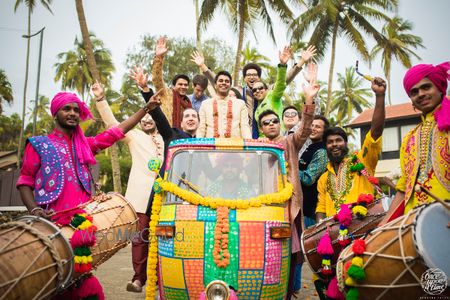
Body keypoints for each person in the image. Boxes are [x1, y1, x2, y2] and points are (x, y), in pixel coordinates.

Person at [16, 91, 157, 218]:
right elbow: (25, 181)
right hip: (52, 221)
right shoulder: (39, 145)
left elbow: (117, 131)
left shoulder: (84, 146)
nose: (72, 113)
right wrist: (34, 209)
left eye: (76, 110)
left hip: (85, 221)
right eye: (66, 109)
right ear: (55, 113)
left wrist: (146, 109)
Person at [92, 78, 164, 293]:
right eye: (145, 117)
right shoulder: (135, 136)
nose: (148, 119)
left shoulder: (169, 137)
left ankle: (162, 278)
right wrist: (100, 99)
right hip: (141, 197)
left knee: (164, 237)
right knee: (140, 239)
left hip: (166, 197)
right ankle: (138, 279)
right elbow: (113, 125)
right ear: (141, 120)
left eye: (152, 116)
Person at [258, 76, 319, 298]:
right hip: (263, 207)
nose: (271, 124)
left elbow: (304, 128)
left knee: (291, 254)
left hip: (288, 207)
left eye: (275, 121)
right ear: (261, 129)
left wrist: (309, 100)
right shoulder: (255, 148)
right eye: (266, 123)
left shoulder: (290, 142)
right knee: (266, 253)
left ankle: (287, 292)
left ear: (280, 124)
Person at [381, 62, 450, 224]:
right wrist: (383, 225)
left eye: (426, 87)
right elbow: (403, 187)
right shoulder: (409, 138)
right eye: (414, 92)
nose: (420, 94)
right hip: (412, 223)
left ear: (440, 88)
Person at [316, 77, 387, 220]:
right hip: (336, 236)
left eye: (339, 140)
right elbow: (321, 208)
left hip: (364, 228)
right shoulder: (323, 178)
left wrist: (380, 96)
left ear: (346, 144)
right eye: (330, 142)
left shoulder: (361, 162)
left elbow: (375, 133)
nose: (334, 144)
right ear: (326, 147)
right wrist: (320, 232)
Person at [292, 115, 329, 297]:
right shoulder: (309, 147)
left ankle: (297, 288)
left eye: (318, 127)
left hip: (309, 209)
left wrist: (290, 165)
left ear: (324, 131)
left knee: (302, 251)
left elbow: (308, 178)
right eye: (312, 125)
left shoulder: (321, 151)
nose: (313, 128)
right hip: (301, 205)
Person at [197, 71, 251, 138]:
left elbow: (244, 126)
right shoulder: (205, 104)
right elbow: (202, 128)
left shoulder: (240, 104)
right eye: (221, 80)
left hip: (235, 146)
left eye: (227, 81)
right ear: (215, 85)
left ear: (230, 86)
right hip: (211, 146)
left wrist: (249, 145)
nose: (224, 83)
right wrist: (199, 146)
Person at [152, 36, 192, 128]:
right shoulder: (166, 94)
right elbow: (157, 79)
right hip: (167, 135)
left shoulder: (188, 102)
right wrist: (159, 57)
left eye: (186, 85)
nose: (183, 86)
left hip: (184, 138)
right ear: (173, 86)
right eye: (180, 84)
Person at [253, 46, 293, 136]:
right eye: (254, 90)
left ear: (267, 90)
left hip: (278, 138)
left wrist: (282, 66)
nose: (257, 91)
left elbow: (280, 85)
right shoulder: (257, 109)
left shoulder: (272, 96)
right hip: (264, 143)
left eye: (260, 88)